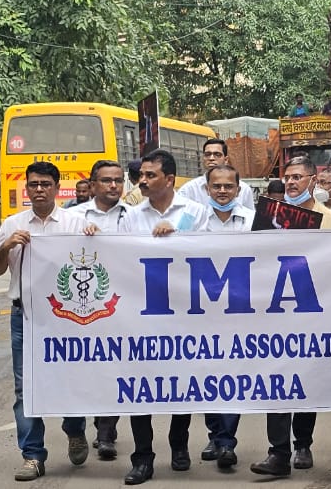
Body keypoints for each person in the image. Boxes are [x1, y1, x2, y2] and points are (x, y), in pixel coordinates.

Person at [0, 160, 97, 481]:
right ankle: (33, 455)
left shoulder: (76, 223)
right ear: (27, 187)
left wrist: (95, 237)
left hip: (67, 318)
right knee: (26, 387)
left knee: (70, 378)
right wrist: (5, 248)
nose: (38, 190)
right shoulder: (12, 224)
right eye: (33, 184)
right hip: (26, 315)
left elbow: (97, 262)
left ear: (55, 187)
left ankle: (75, 429)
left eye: (45, 185)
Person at [118, 149, 211, 485]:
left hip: (184, 311)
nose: (142, 180)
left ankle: (179, 443)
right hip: (142, 313)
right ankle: (142, 457)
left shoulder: (196, 212)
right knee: (139, 385)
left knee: (180, 381)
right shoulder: (131, 216)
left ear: (169, 179)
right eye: (141, 175)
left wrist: (178, 238)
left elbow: (212, 256)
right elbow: (122, 260)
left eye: (150, 175)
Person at [250, 156, 331, 478]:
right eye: (287, 177)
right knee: (275, 381)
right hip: (274, 311)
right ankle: (278, 452)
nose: (290, 183)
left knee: (304, 381)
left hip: (309, 311)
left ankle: (303, 443)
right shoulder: (267, 216)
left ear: (312, 182)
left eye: (298, 178)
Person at [69, 159, 131, 461]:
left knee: (113, 368)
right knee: (83, 370)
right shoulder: (72, 218)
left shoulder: (133, 217)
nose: (113, 186)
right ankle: (79, 427)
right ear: (93, 185)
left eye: (118, 180)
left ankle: (105, 433)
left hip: (120, 306)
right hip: (81, 308)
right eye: (106, 180)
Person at [199, 164, 251, 470]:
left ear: (238, 189)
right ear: (207, 189)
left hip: (240, 312)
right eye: (216, 186)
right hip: (201, 313)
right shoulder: (191, 220)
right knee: (207, 376)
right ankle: (216, 435)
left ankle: (226, 442)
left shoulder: (252, 222)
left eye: (228, 186)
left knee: (232, 377)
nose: (222, 191)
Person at [177, 139, 256, 209]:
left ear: (226, 160)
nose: (211, 158)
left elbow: (251, 220)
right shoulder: (189, 189)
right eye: (207, 154)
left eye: (217, 154)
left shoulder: (244, 189)